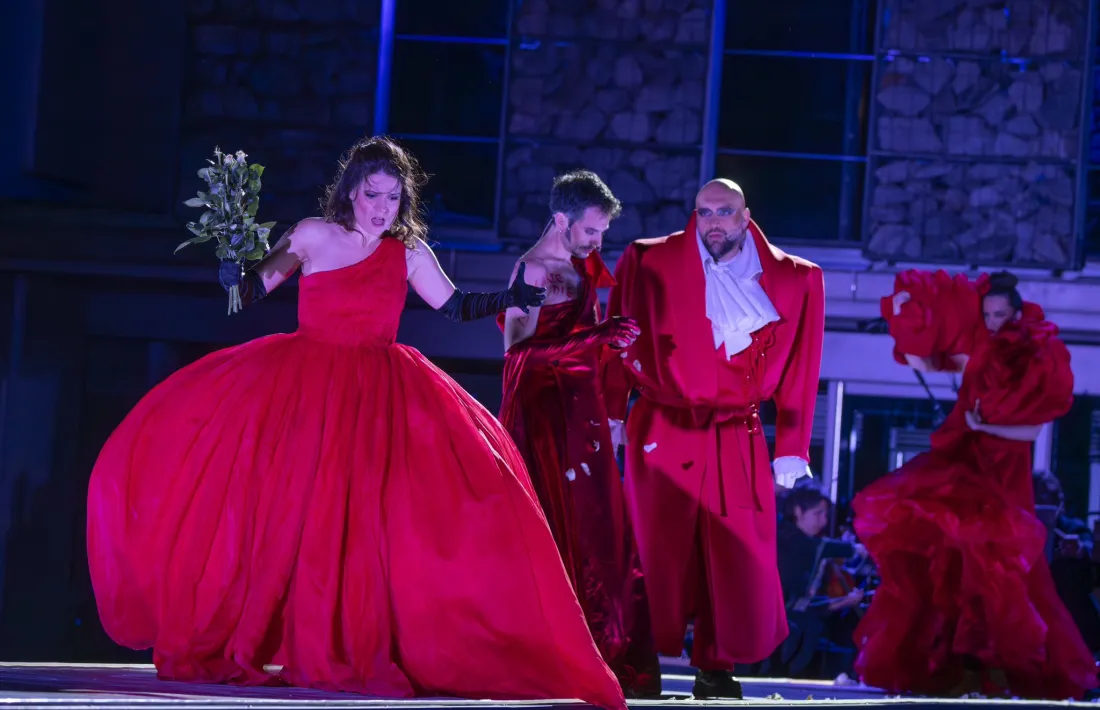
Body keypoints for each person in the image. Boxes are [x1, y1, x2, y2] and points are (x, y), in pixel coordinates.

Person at [85, 136, 627, 709]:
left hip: (377, 397)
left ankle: (364, 638)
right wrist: (231, 273)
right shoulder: (314, 234)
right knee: (287, 514)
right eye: (374, 195)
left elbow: (454, 305)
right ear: (351, 191)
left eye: (394, 197)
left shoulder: (408, 249)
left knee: (374, 518)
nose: (383, 207)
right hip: (305, 390)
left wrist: (509, 296)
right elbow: (247, 294)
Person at [602, 179, 825, 699]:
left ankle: (716, 666)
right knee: (652, 546)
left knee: (734, 551)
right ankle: (637, 661)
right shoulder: (648, 260)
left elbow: (802, 367)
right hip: (663, 423)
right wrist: (612, 410)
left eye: (725, 212)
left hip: (737, 430)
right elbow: (618, 335)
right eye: (704, 213)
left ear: (747, 216)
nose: (714, 223)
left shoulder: (797, 278)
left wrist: (792, 444)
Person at [854, 269, 1097, 700]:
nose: (992, 322)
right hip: (964, 462)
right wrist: (904, 316)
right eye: (987, 314)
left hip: (1003, 473)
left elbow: (1033, 431)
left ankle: (1003, 669)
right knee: (953, 559)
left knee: (1003, 567)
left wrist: (984, 426)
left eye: (1000, 314)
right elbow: (927, 360)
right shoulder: (978, 349)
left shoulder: (1034, 360)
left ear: (1018, 313)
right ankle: (957, 667)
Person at [498, 171, 660, 698]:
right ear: (563, 220)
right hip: (543, 414)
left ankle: (606, 654)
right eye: (592, 231)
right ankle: (554, 651)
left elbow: (578, 333)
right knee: (558, 523)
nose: (598, 242)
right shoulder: (533, 269)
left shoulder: (578, 262)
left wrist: (609, 345)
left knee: (599, 527)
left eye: (602, 233)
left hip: (581, 410)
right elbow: (516, 352)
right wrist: (596, 337)